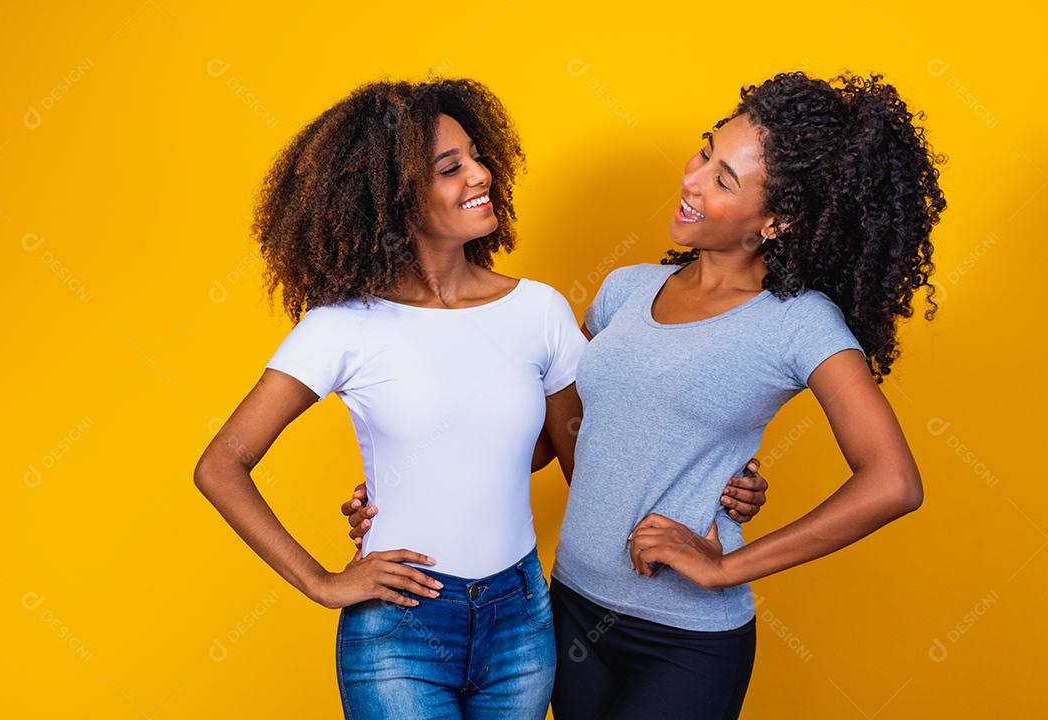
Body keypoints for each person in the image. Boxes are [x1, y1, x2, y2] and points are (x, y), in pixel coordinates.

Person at [346, 70, 945, 720]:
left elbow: (893, 483)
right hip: (571, 612)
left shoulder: (800, 323)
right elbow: (548, 437)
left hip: (685, 642)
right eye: (707, 151)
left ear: (778, 220)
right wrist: (408, 489)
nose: (692, 179)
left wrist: (723, 569)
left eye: (724, 180)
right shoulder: (626, 290)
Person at [194, 76, 769, 720]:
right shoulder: (342, 327)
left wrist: (719, 483)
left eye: (476, 154)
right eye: (450, 167)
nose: (481, 174)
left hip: (521, 620)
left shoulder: (540, 312)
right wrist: (323, 583)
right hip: (400, 628)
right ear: (392, 200)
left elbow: (585, 458)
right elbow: (221, 464)